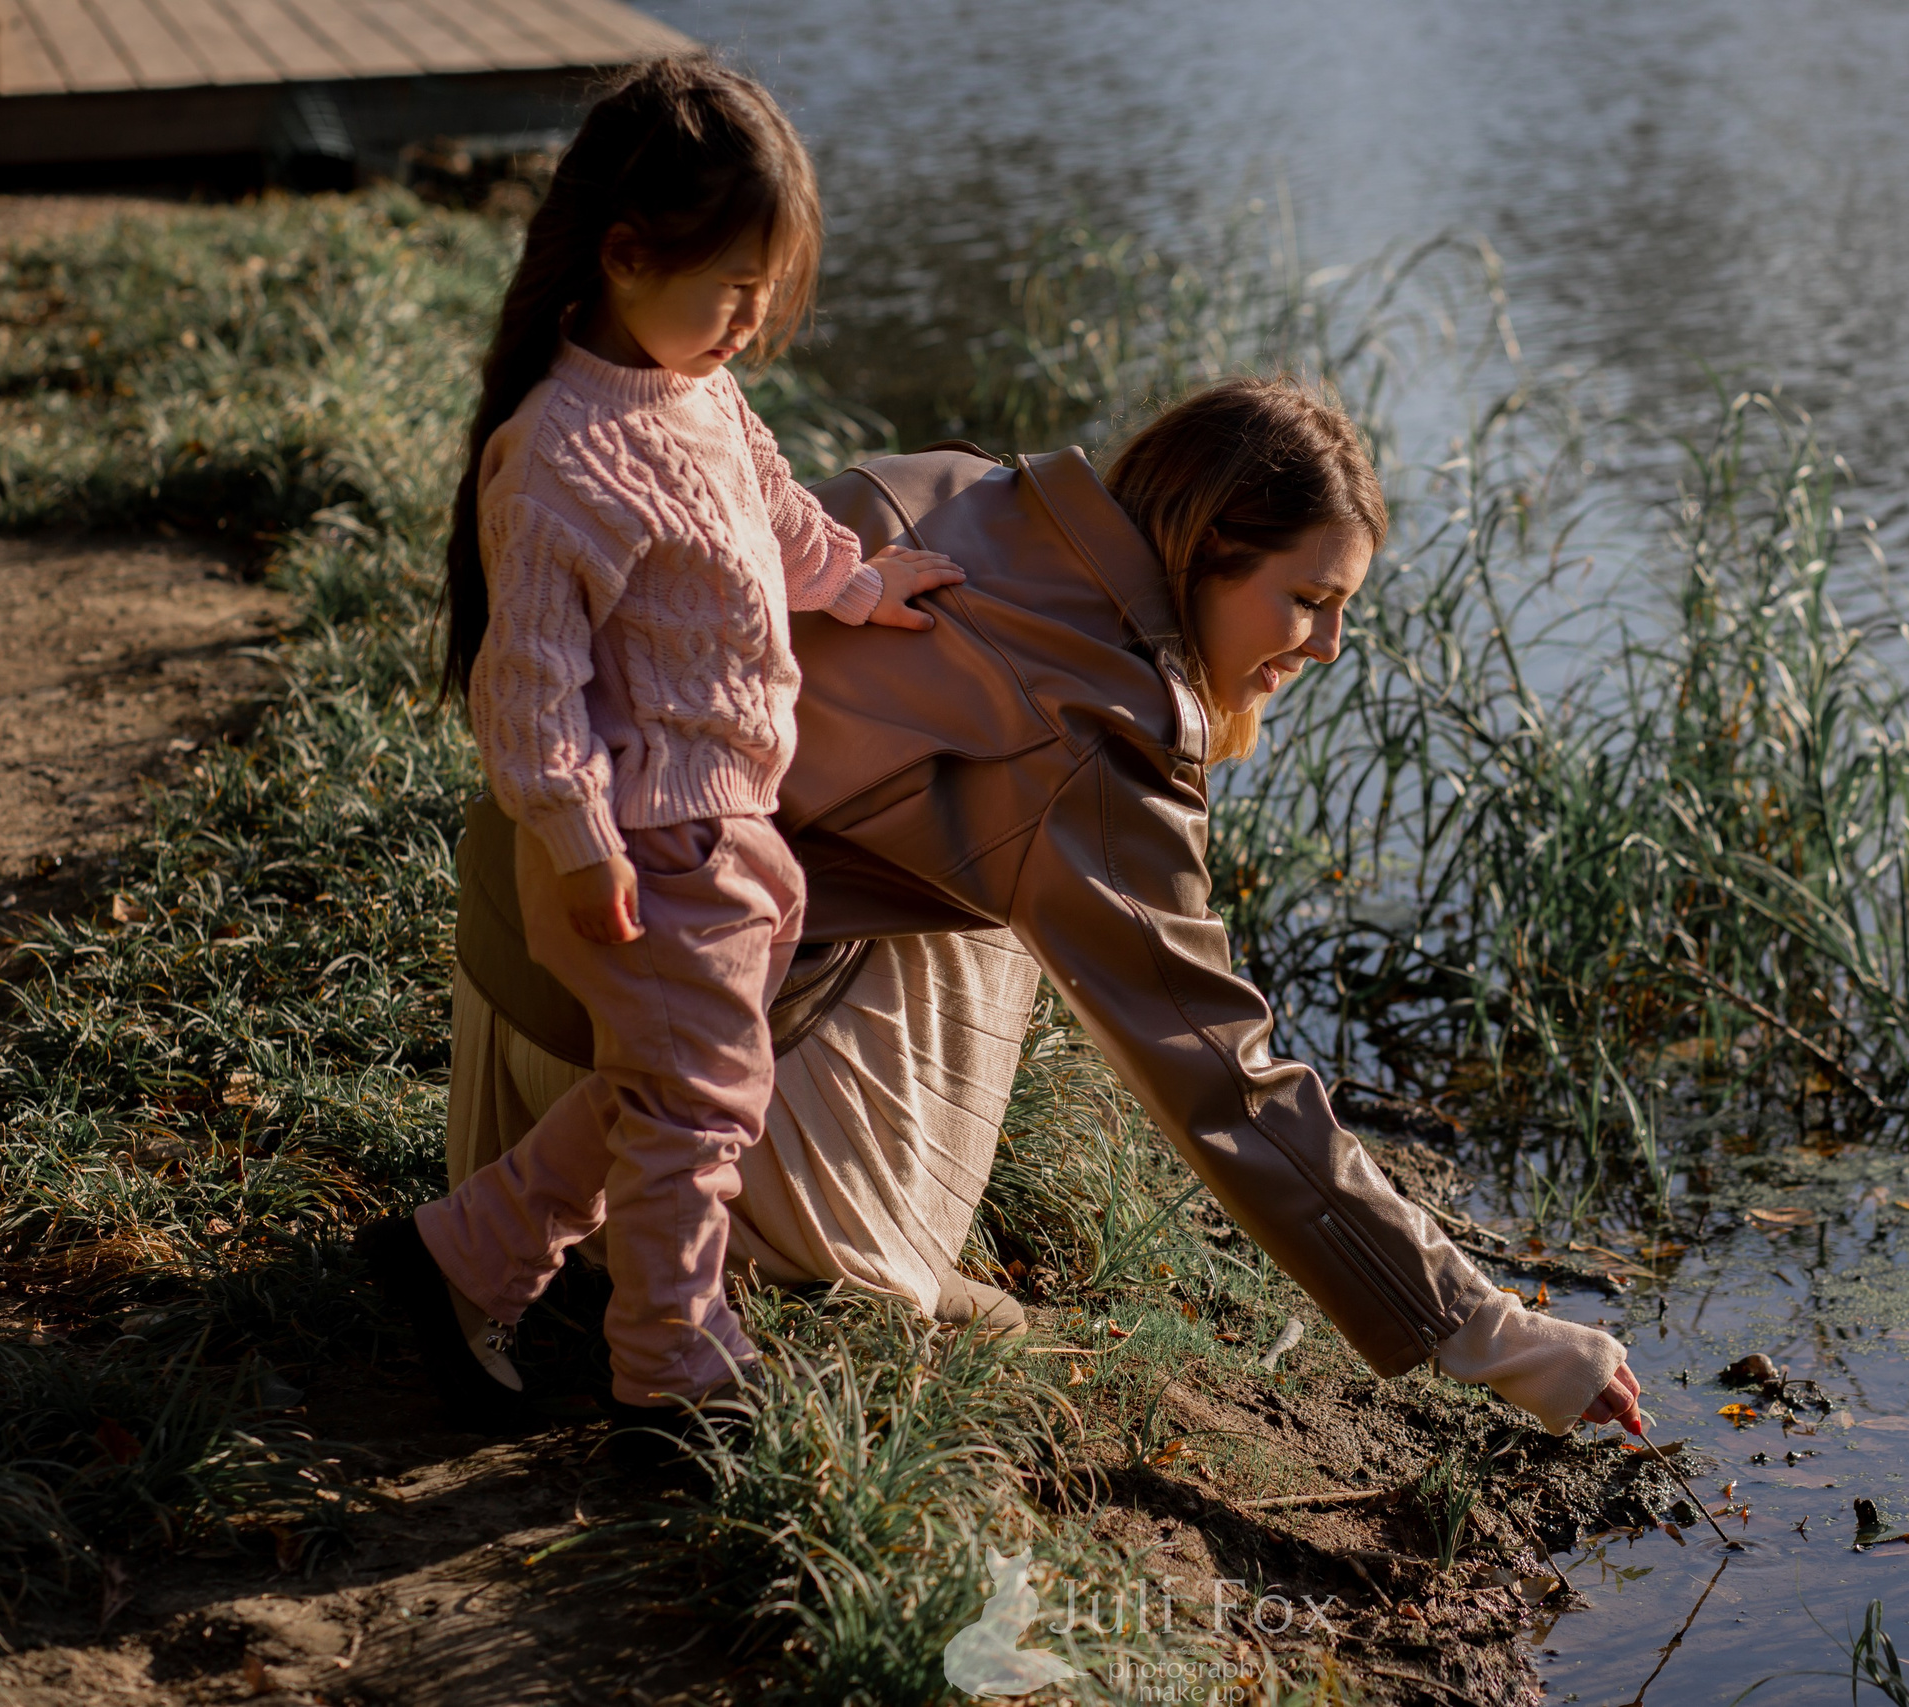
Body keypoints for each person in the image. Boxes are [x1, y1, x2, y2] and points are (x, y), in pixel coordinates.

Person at [433, 375, 1649, 1452]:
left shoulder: (954, 491)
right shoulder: (1093, 740)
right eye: (1307, 601)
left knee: (911, 853)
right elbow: (1226, 1082)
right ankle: (834, 1264)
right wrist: (1494, 1334)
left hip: (514, 974)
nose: (1328, 646)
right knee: (1019, 910)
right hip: (643, 1063)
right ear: (1210, 549)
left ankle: (504, 1233)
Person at [355, 53, 966, 1457]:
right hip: (644, 848)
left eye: (769, 294)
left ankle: (464, 1253)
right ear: (627, 255)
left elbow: (776, 511)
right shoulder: (559, 451)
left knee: (671, 1083)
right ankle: (669, 1369)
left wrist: (865, 584)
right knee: (702, 1105)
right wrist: (576, 842)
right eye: (735, 290)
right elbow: (530, 690)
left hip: (730, 833)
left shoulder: (698, 393)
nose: (752, 324)